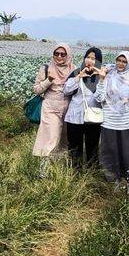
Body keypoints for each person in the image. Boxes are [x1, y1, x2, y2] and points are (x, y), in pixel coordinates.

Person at [95, 51, 129, 188]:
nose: (120, 64)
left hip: (127, 122)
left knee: (128, 154)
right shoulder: (109, 75)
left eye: (124, 61)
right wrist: (102, 79)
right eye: (119, 60)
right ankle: (113, 181)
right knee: (111, 152)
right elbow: (99, 98)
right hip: (109, 121)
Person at [32, 43, 76, 178]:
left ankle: (59, 170)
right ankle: (43, 171)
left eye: (63, 54)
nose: (59, 56)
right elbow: (37, 90)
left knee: (64, 140)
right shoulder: (46, 68)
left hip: (68, 108)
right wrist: (48, 80)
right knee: (50, 138)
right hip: (50, 107)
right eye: (56, 54)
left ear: (68, 55)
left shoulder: (73, 69)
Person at [63, 47, 103, 167]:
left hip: (93, 117)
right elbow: (66, 91)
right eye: (88, 57)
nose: (90, 60)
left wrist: (101, 79)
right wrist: (79, 76)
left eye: (94, 58)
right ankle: (75, 172)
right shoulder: (76, 72)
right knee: (74, 147)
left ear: (99, 61)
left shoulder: (101, 75)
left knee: (93, 146)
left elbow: (100, 98)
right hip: (75, 116)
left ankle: (92, 173)